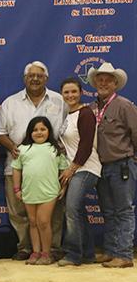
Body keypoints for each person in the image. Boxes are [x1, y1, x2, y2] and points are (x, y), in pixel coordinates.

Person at [0, 61, 66, 261]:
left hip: (50, 167)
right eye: (31, 76)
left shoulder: (60, 100)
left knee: (52, 213)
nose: (35, 79)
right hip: (17, 165)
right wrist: (13, 148)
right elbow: (1, 133)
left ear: (46, 78)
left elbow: (69, 129)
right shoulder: (10, 102)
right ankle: (26, 248)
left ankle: (51, 248)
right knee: (19, 211)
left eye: (39, 75)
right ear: (24, 78)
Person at [88, 62, 137, 268]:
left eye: (108, 79)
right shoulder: (92, 107)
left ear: (115, 83)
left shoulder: (124, 105)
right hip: (101, 166)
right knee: (108, 211)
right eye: (100, 79)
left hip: (121, 164)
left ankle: (124, 254)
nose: (103, 82)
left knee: (123, 210)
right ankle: (110, 250)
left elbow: (135, 132)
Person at [11, 117, 68, 265]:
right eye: (35, 130)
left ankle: (46, 253)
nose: (39, 132)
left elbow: (63, 171)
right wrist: (17, 189)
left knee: (43, 222)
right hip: (29, 191)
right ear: (30, 132)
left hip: (49, 192)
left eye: (43, 129)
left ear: (49, 131)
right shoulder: (22, 149)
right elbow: (16, 170)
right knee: (33, 222)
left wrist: (63, 188)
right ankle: (35, 252)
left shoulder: (55, 149)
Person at [57, 78, 101, 267]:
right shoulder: (68, 115)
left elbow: (86, 145)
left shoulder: (85, 113)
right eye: (66, 92)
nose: (70, 95)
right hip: (75, 168)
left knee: (72, 208)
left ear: (81, 92)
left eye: (73, 92)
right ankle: (88, 253)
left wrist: (71, 168)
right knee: (78, 211)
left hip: (87, 167)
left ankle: (73, 254)